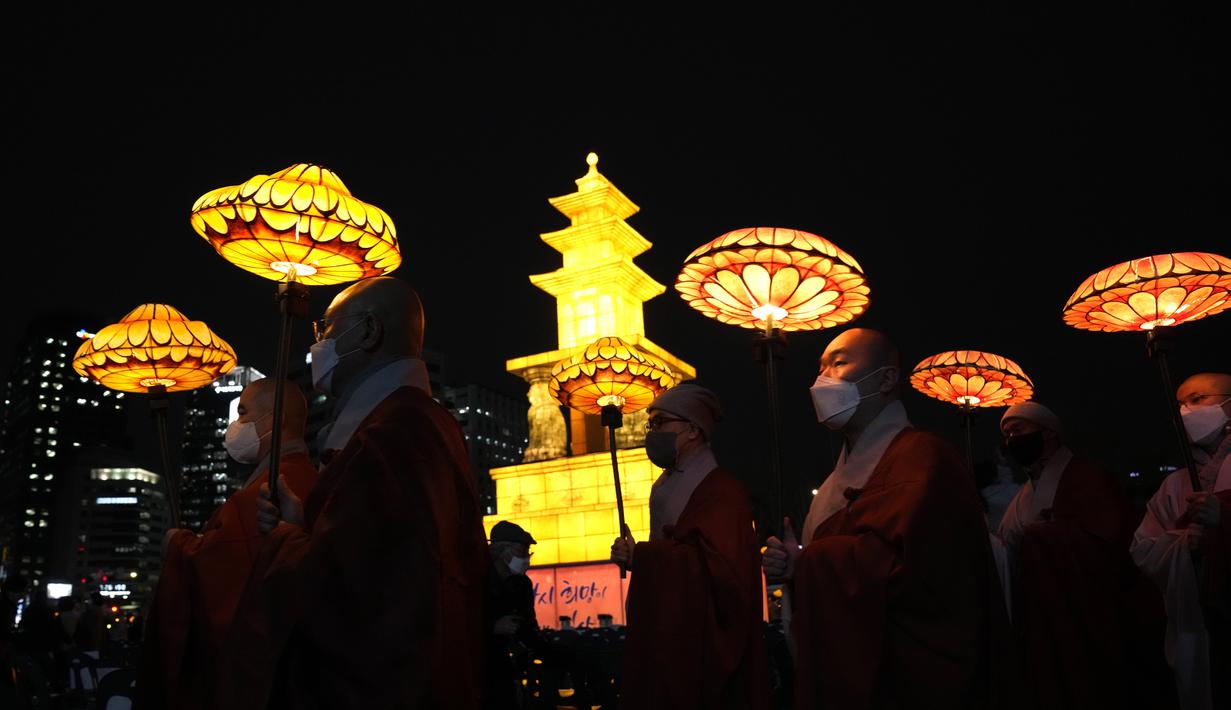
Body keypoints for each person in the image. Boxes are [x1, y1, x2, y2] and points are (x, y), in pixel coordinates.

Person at [220, 276, 488, 709]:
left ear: (367, 331)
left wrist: (287, 539)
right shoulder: (421, 423)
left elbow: (352, 590)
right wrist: (301, 522)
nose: (317, 344)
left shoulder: (392, 434)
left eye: (325, 328)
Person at [762, 328, 1015, 709]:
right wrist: (797, 569)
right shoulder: (833, 484)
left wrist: (811, 563)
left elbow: (936, 583)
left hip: (911, 677)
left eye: (840, 362)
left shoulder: (926, 460)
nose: (822, 379)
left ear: (885, 379)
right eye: (821, 367)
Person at [134, 377, 317, 710]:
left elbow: (219, 572)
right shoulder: (311, 478)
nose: (236, 425)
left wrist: (177, 545)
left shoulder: (269, 490)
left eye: (243, 413)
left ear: (272, 419)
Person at [996, 401, 1175, 709]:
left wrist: (1047, 536)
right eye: (1008, 434)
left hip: (1087, 612)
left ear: (1048, 434)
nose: (1012, 439)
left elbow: (1110, 541)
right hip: (1041, 612)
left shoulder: (1087, 476)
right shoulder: (1024, 494)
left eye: (1019, 430)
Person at [610, 383, 770, 710]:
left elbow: (725, 572)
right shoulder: (665, 485)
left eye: (660, 423)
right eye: (650, 424)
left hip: (702, 643)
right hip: (666, 633)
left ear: (693, 430)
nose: (652, 432)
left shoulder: (724, 492)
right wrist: (639, 556)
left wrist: (642, 556)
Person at [1132, 372, 1231, 710]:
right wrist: (1182, 543)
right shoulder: (1174, 484)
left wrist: (1225, 521)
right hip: (1193, 624)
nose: (1185, 411)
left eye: (1197, 400)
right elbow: (1143, 549)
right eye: (1179, 404)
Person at [484, 520, 540, 709]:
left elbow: (530, 626)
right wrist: (492, 627)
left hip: (513, 666)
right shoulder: (478, 579)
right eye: (522, 551)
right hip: (484, 666)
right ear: (503, 551)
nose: (527, 558)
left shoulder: (522, 584)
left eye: (528, 552)